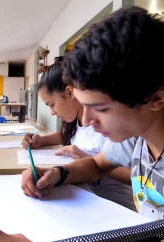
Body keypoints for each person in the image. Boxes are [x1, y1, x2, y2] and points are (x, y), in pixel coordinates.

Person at [0, 6, 164, 242]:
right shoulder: (137, 139)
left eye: (101, 109)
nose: (88, 121)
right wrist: (57, 173)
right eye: (84, 105)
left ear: (155, 98)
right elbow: (95, 164)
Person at [21, 60, 135, 211]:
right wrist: (42, 141)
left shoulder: (111, 129)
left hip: (111, 204)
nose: (52, 112)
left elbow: (137, 177)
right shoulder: (74, 122)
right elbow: (66, 136)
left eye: (51, 104)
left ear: (70, 92)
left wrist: (85, 157)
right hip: (81, 197)